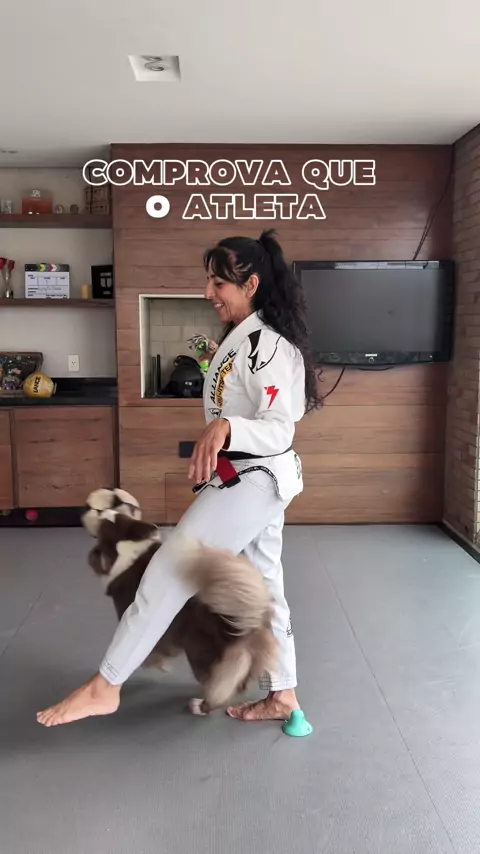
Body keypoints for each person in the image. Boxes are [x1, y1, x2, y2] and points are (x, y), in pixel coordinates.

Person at [37, 228, 322, 727]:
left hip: (255, 479)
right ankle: (284, 695)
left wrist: (227, 426)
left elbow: (280, 427)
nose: (208, 292)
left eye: (218, 283)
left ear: (251, 285)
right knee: (267, 586)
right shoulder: (244, 338)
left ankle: (106, 686)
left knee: (170, 568)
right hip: (248, 479)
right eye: (209, 281)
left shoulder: (269, 346)